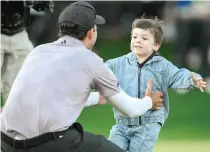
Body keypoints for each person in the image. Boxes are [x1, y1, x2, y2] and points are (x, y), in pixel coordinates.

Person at [0, 2, 164, 152]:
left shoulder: (38, 52)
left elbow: (51, 97)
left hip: (6, 141)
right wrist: (150, 101)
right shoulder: (91, 61)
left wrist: (95, 98)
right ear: (91, 32)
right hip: (42, 144)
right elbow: (131, 109)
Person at [86, 16, 207, 152]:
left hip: (148, 124)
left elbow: (178, 75)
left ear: (156, 45)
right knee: (112, 148)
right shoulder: (119, 63)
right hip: (122, 122)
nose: (138, 40)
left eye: (144, 38)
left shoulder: (162, 66)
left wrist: (193, 79)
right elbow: (102, 71)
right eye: (135, 37)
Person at [1, 1, 54, 106]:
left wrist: (36, 2)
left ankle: (11, 119)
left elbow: (46, 6)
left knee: (17, 86)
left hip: (19, 34)